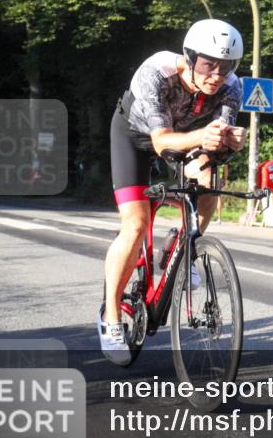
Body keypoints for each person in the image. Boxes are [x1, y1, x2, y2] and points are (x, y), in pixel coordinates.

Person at [100, 19, 246, 365]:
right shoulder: (156, 72)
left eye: (227, 67)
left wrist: (227, 145)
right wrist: (206, 138)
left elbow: (212, 143)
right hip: (136, 138)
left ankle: (185, 245)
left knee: (209, 184)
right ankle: (111, 318)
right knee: (135, 224)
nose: (217, 74)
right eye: (209, 64)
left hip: (188, 137)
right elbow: (161, 141)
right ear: (190, 58)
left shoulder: (232, 87)